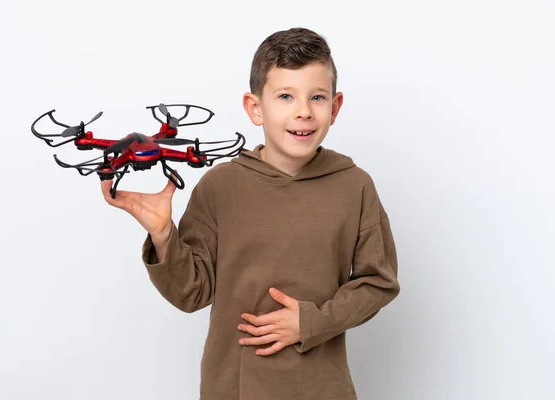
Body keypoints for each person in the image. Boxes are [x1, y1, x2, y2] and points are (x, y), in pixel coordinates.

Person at [101, 27, 400, 400]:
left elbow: (379, 282)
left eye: (317, 97)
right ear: (255, 108)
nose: (303, 111)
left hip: (322, 387)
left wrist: (311, 323)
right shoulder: (220, 186)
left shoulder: (354, 186)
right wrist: (164, 236)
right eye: (286, 96)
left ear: (335, 107)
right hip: (234, 386)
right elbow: (191, 293)